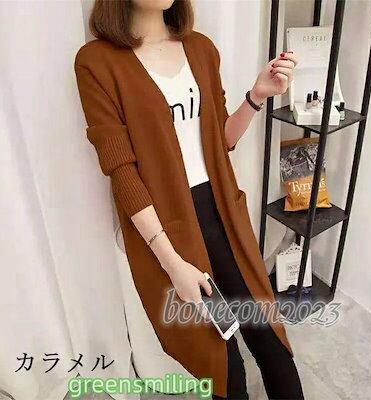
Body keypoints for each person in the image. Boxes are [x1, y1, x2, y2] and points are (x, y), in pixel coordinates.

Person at [74, 1, 304, 398]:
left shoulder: (201, 48)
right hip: (167, 231)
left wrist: (256, 96)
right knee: (223, 366)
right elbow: (122, 173)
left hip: (224, 216)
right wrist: (172, 263)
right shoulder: (96, 62)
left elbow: (219, 141)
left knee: (269, 338)